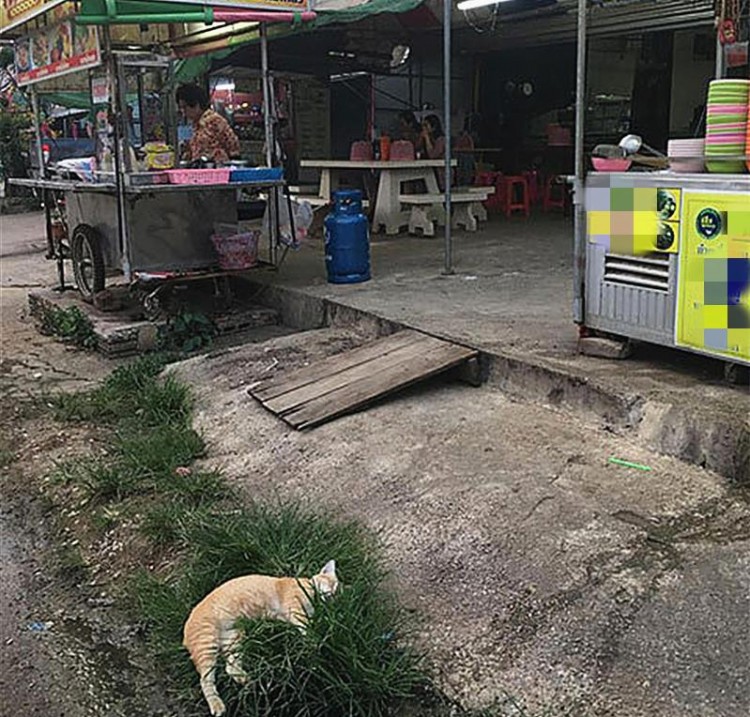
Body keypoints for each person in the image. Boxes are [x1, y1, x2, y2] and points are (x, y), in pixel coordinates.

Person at [176, 84, 240, 165]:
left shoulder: (215, 121)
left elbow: (233, 147)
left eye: (185, 107)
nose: (183, 112)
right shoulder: (195, 125)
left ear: (196, 105)